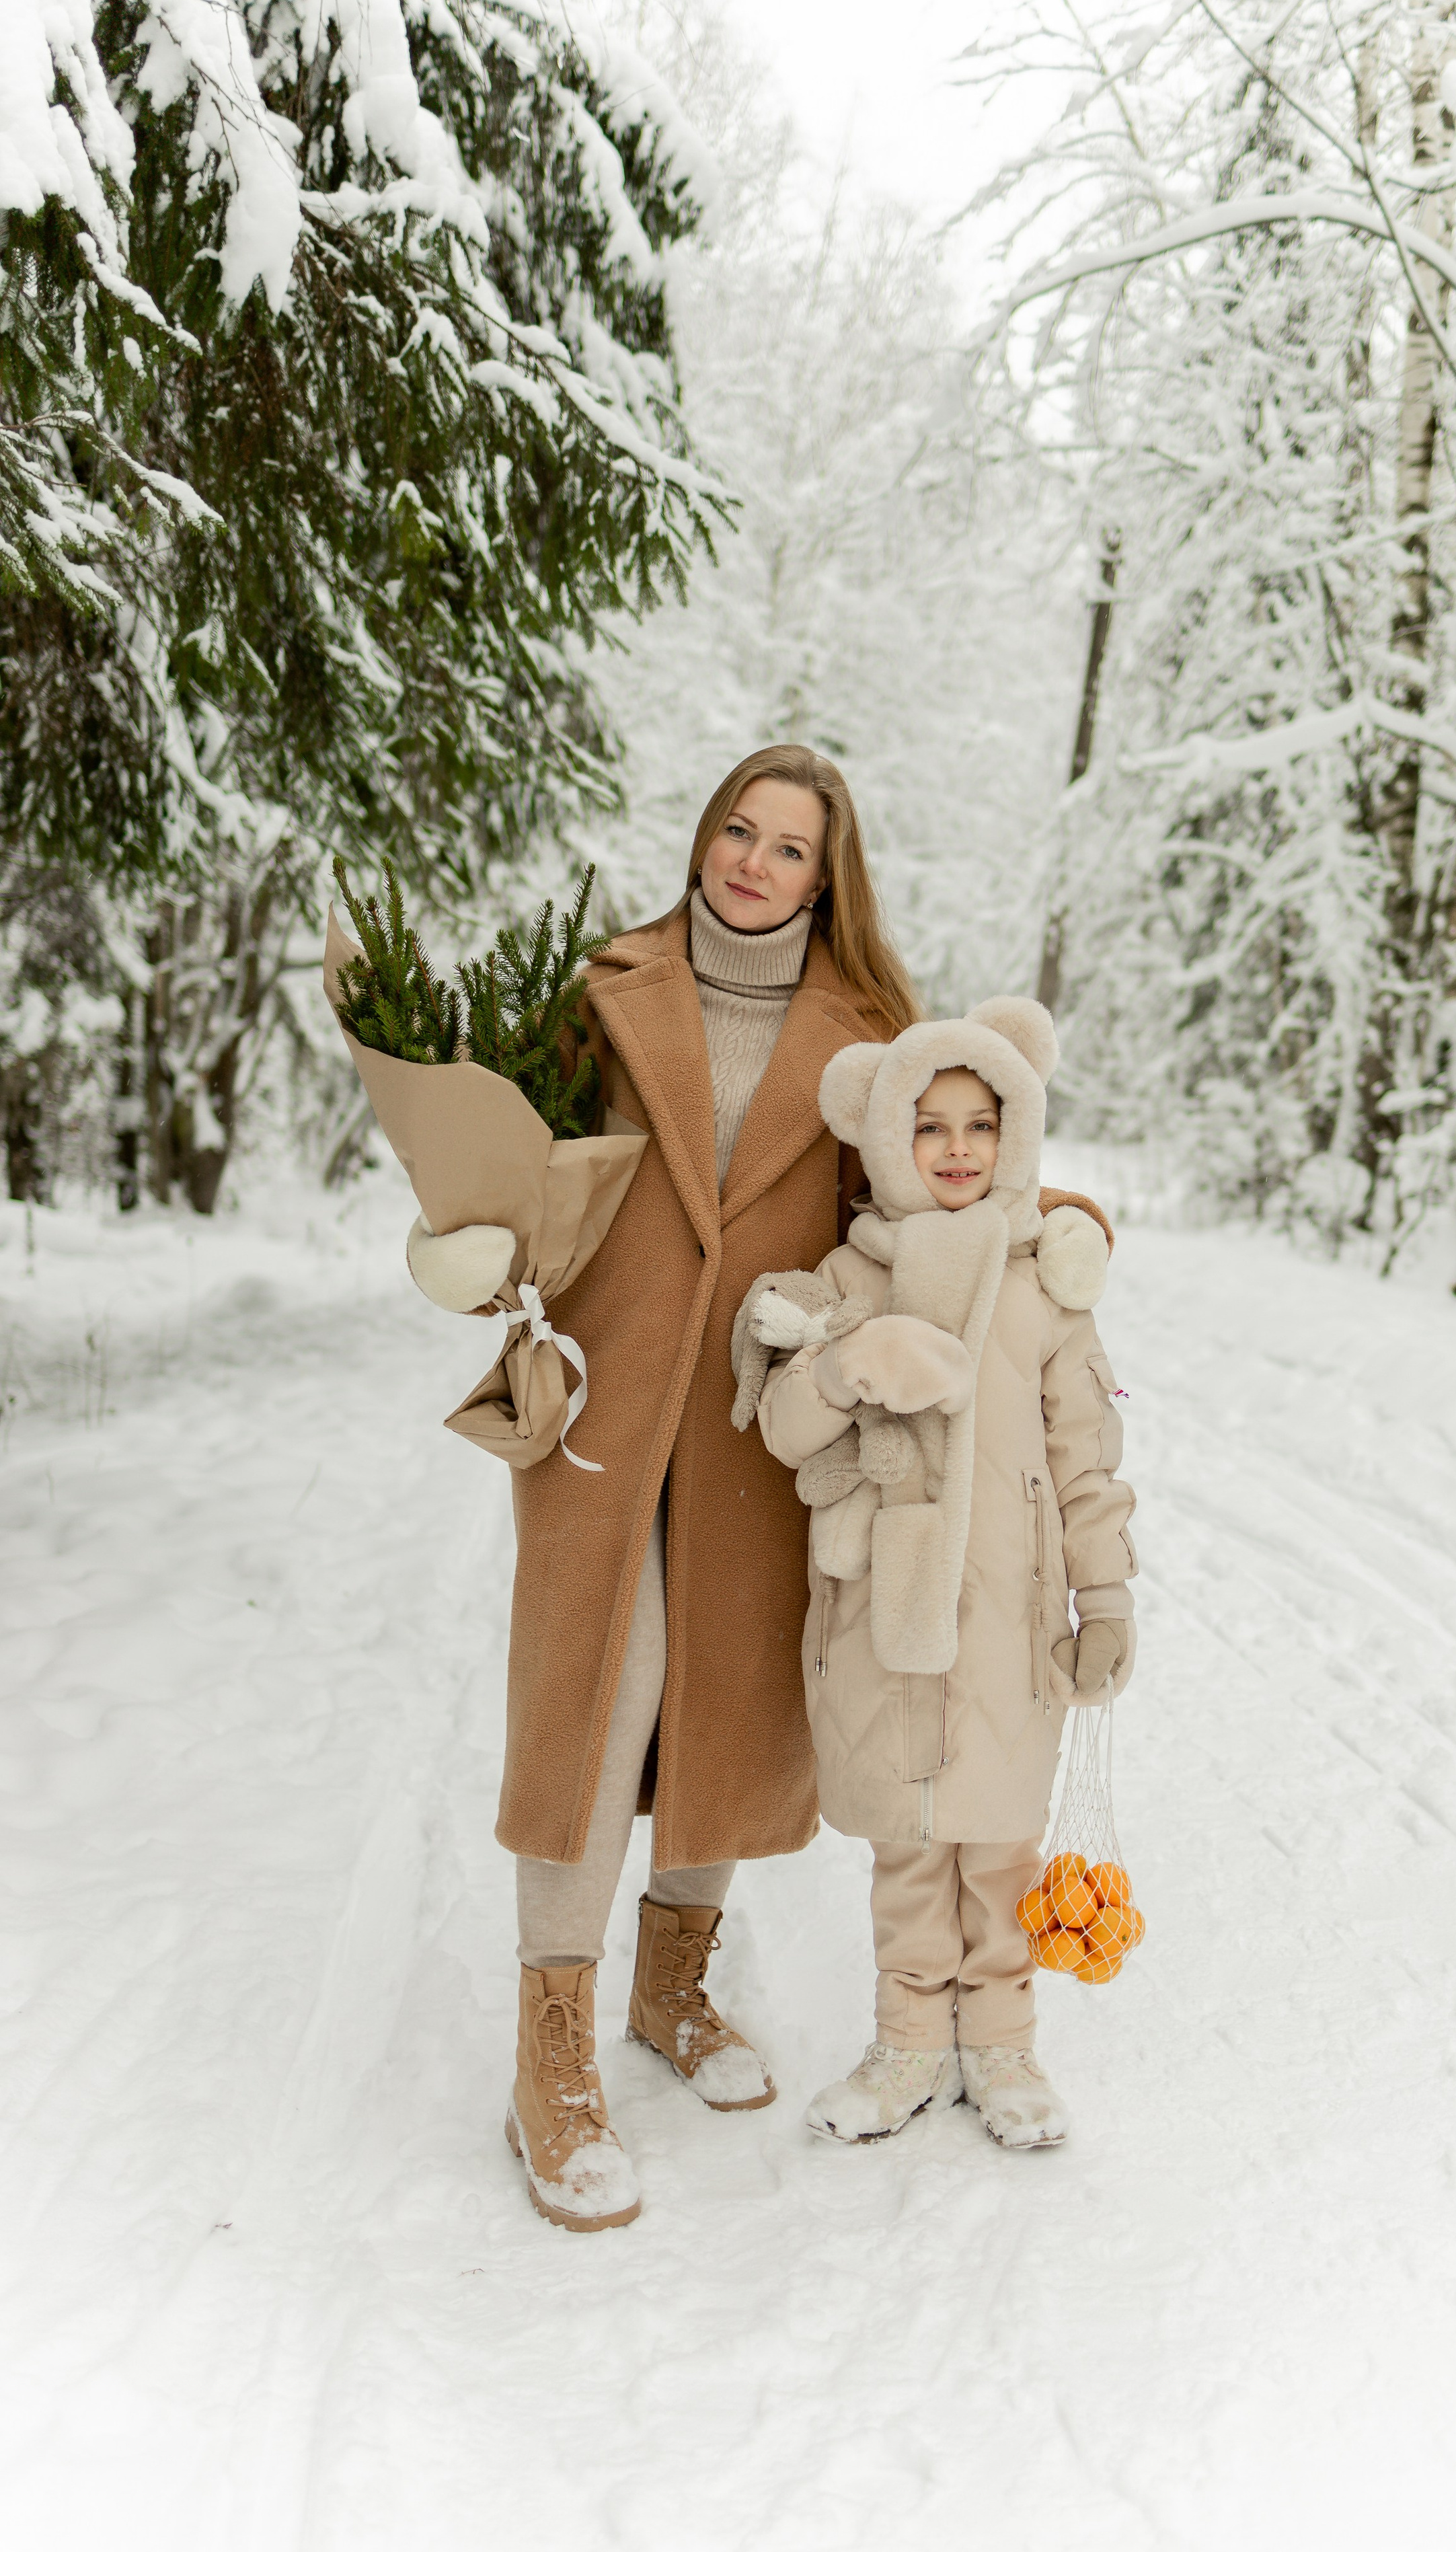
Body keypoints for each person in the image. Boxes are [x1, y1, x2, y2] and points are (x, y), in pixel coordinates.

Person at [405, 746, 917, 2230]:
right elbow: (512, 1180)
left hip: (762, 1414)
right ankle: (547, 2056)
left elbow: (938, 1189)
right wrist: (468, 1254)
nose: (751, 864)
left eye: (788, 850)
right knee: (599, 1695)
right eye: (736, 833)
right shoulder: (602, 989)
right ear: (704, 838)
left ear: (829, 878)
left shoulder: (866, 1036)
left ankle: (670, 1990)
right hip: (605, 1398)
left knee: (721, 1696)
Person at [746, 998, 1138, 2152]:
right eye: (929, 1128)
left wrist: (1104, 1595)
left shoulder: (1045, 1284)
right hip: (879, 1608)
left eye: (981, 1123)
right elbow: (782, 1426)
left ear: (1016, 1135)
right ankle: (909, 2044)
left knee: (1000, 1843)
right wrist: (844, 1368)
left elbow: (1089, 1456)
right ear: (884, 1142)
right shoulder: (848, 1276)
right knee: (911, 1843)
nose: (958, 1148)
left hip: (1011, 1621)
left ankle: (1005, 2049)